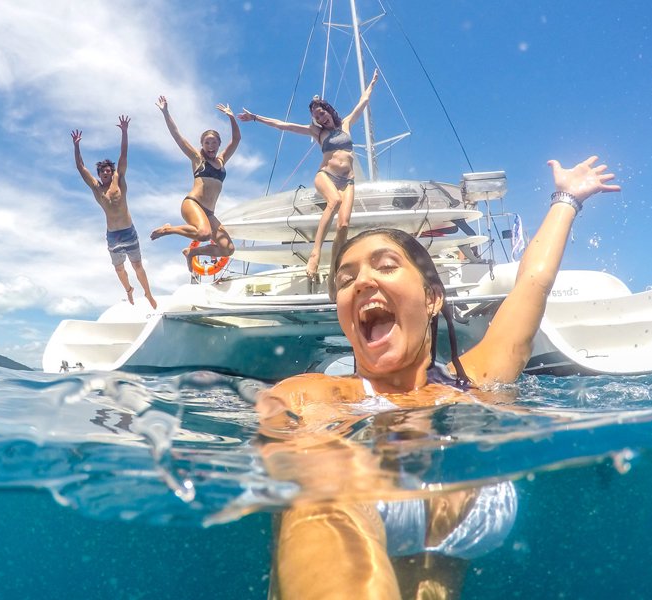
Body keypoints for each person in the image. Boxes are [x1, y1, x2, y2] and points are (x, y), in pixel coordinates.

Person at [255, 156, 621, 599]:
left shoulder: (478, 379)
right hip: (345, 510)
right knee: (323, 485)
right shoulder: (310, 394)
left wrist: (567, 198)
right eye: (347, 278)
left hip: (455, 531)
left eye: (385, 265)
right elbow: (281, 437)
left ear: (432, 299)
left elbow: (533, 285)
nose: (362, 282)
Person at [238, 70, 379, 282]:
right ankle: (315, 254)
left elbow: (364, 100)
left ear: (329, 111)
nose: (321, 117)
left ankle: (335, 265)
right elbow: (283, 125)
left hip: (348, 180)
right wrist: (255, 117)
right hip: (326, 175)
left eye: (322, 113)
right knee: (334, 201)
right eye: (317, 116)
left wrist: (373, 82)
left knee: (343, 225)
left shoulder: (347, 124)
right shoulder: (317, 133)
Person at [72, 116, 157, 309]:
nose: (106, 173)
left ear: (112, 172)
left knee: (137, 266)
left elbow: (123, 157)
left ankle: (148, 294)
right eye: (103, 172)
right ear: (100, 174)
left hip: (128, 231)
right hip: (113, 236)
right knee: (119, 269)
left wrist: (125, 132)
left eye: (109, 171)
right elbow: (80, 168)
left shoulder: (119, 181)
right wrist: (77, 146)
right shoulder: (96, 188)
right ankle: (129, 290)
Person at [150, 97, 241, 273]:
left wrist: (231, 117)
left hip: (209, 212)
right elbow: (177, 136)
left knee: (227, 249)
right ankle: (169, 229)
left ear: (219, 144)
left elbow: (236, 139)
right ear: (202, 145)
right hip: (193, 203)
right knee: (204, 234)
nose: (211, 145)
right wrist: (166, 112)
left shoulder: (222, 161)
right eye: (207, 142)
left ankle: (191, 252)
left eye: (214, 142)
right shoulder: (197, 159)